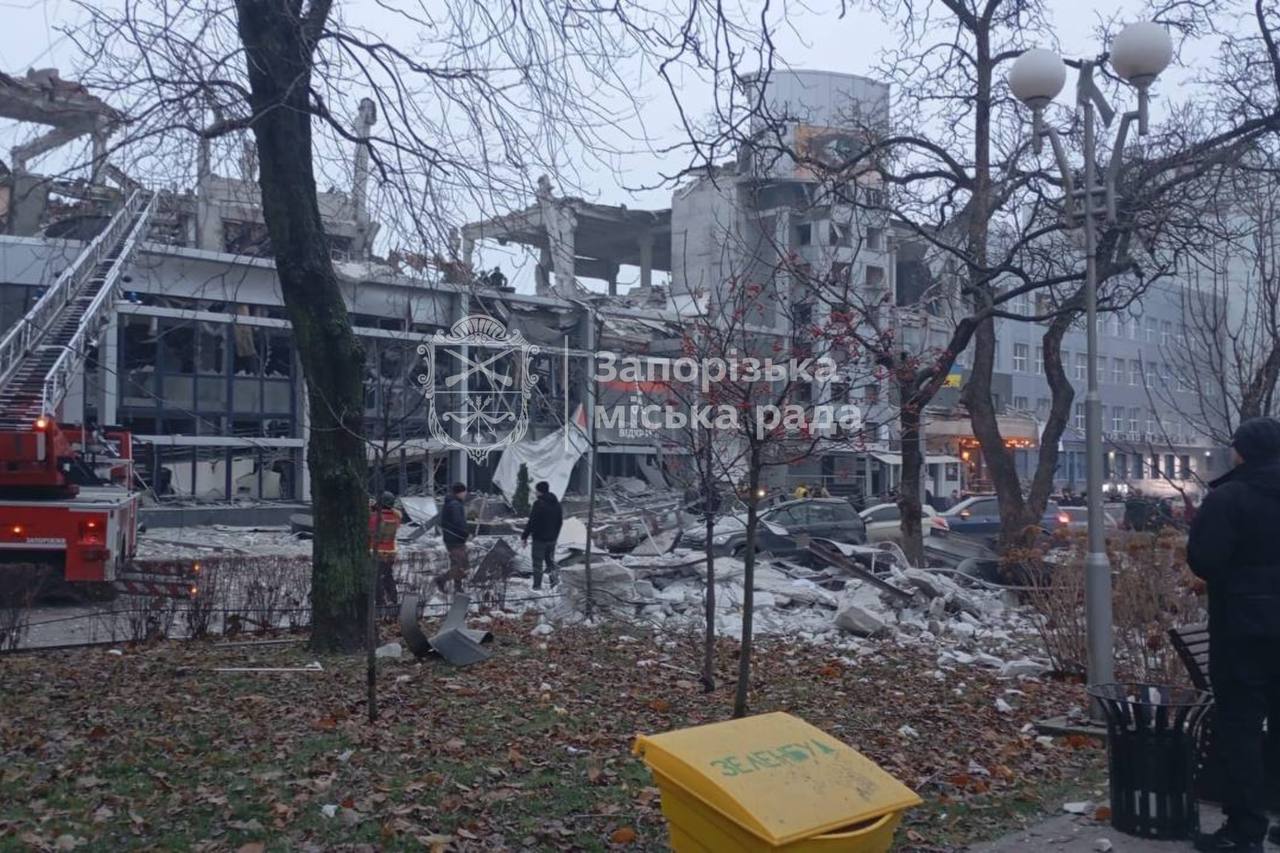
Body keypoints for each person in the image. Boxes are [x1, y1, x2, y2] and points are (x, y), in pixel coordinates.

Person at [1188, 417, 1280, 852]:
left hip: (1243, 630)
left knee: (1240, 727)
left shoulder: (1229, 498)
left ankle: (1245, 832)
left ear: (1241, 452)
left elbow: (1205, 560)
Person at [521, 481, 563, 590]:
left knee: (537, 563)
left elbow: (532, 522)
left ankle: (537, 586)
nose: (535, 493)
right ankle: (554, 584)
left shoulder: (539, 504)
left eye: (536, 491)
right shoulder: (557, 504)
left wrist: (524, 536)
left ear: (539, 491)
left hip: (539, 539)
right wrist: (555, 536)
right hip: (552, 539)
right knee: (551, 562)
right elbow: (560, 522)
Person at [369, 491, 401, 609]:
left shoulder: (374, 517)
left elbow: (369, 529)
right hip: (390, 552)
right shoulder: (396, 517)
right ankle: (393, 600)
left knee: (376, 578)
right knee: (388, 576)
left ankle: (380, 603)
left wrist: (371, 508)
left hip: (376, 552)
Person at [439, 483, 470, 594]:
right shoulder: (455, 505)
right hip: (456, 539)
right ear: (460, 492)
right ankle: (442, 579)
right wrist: (465, 533)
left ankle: (458, 587)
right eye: (465, 492)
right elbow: (458, 522)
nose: (465, 494)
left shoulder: (451, 503)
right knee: (461, 564)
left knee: (458, 563)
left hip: (452, 538)